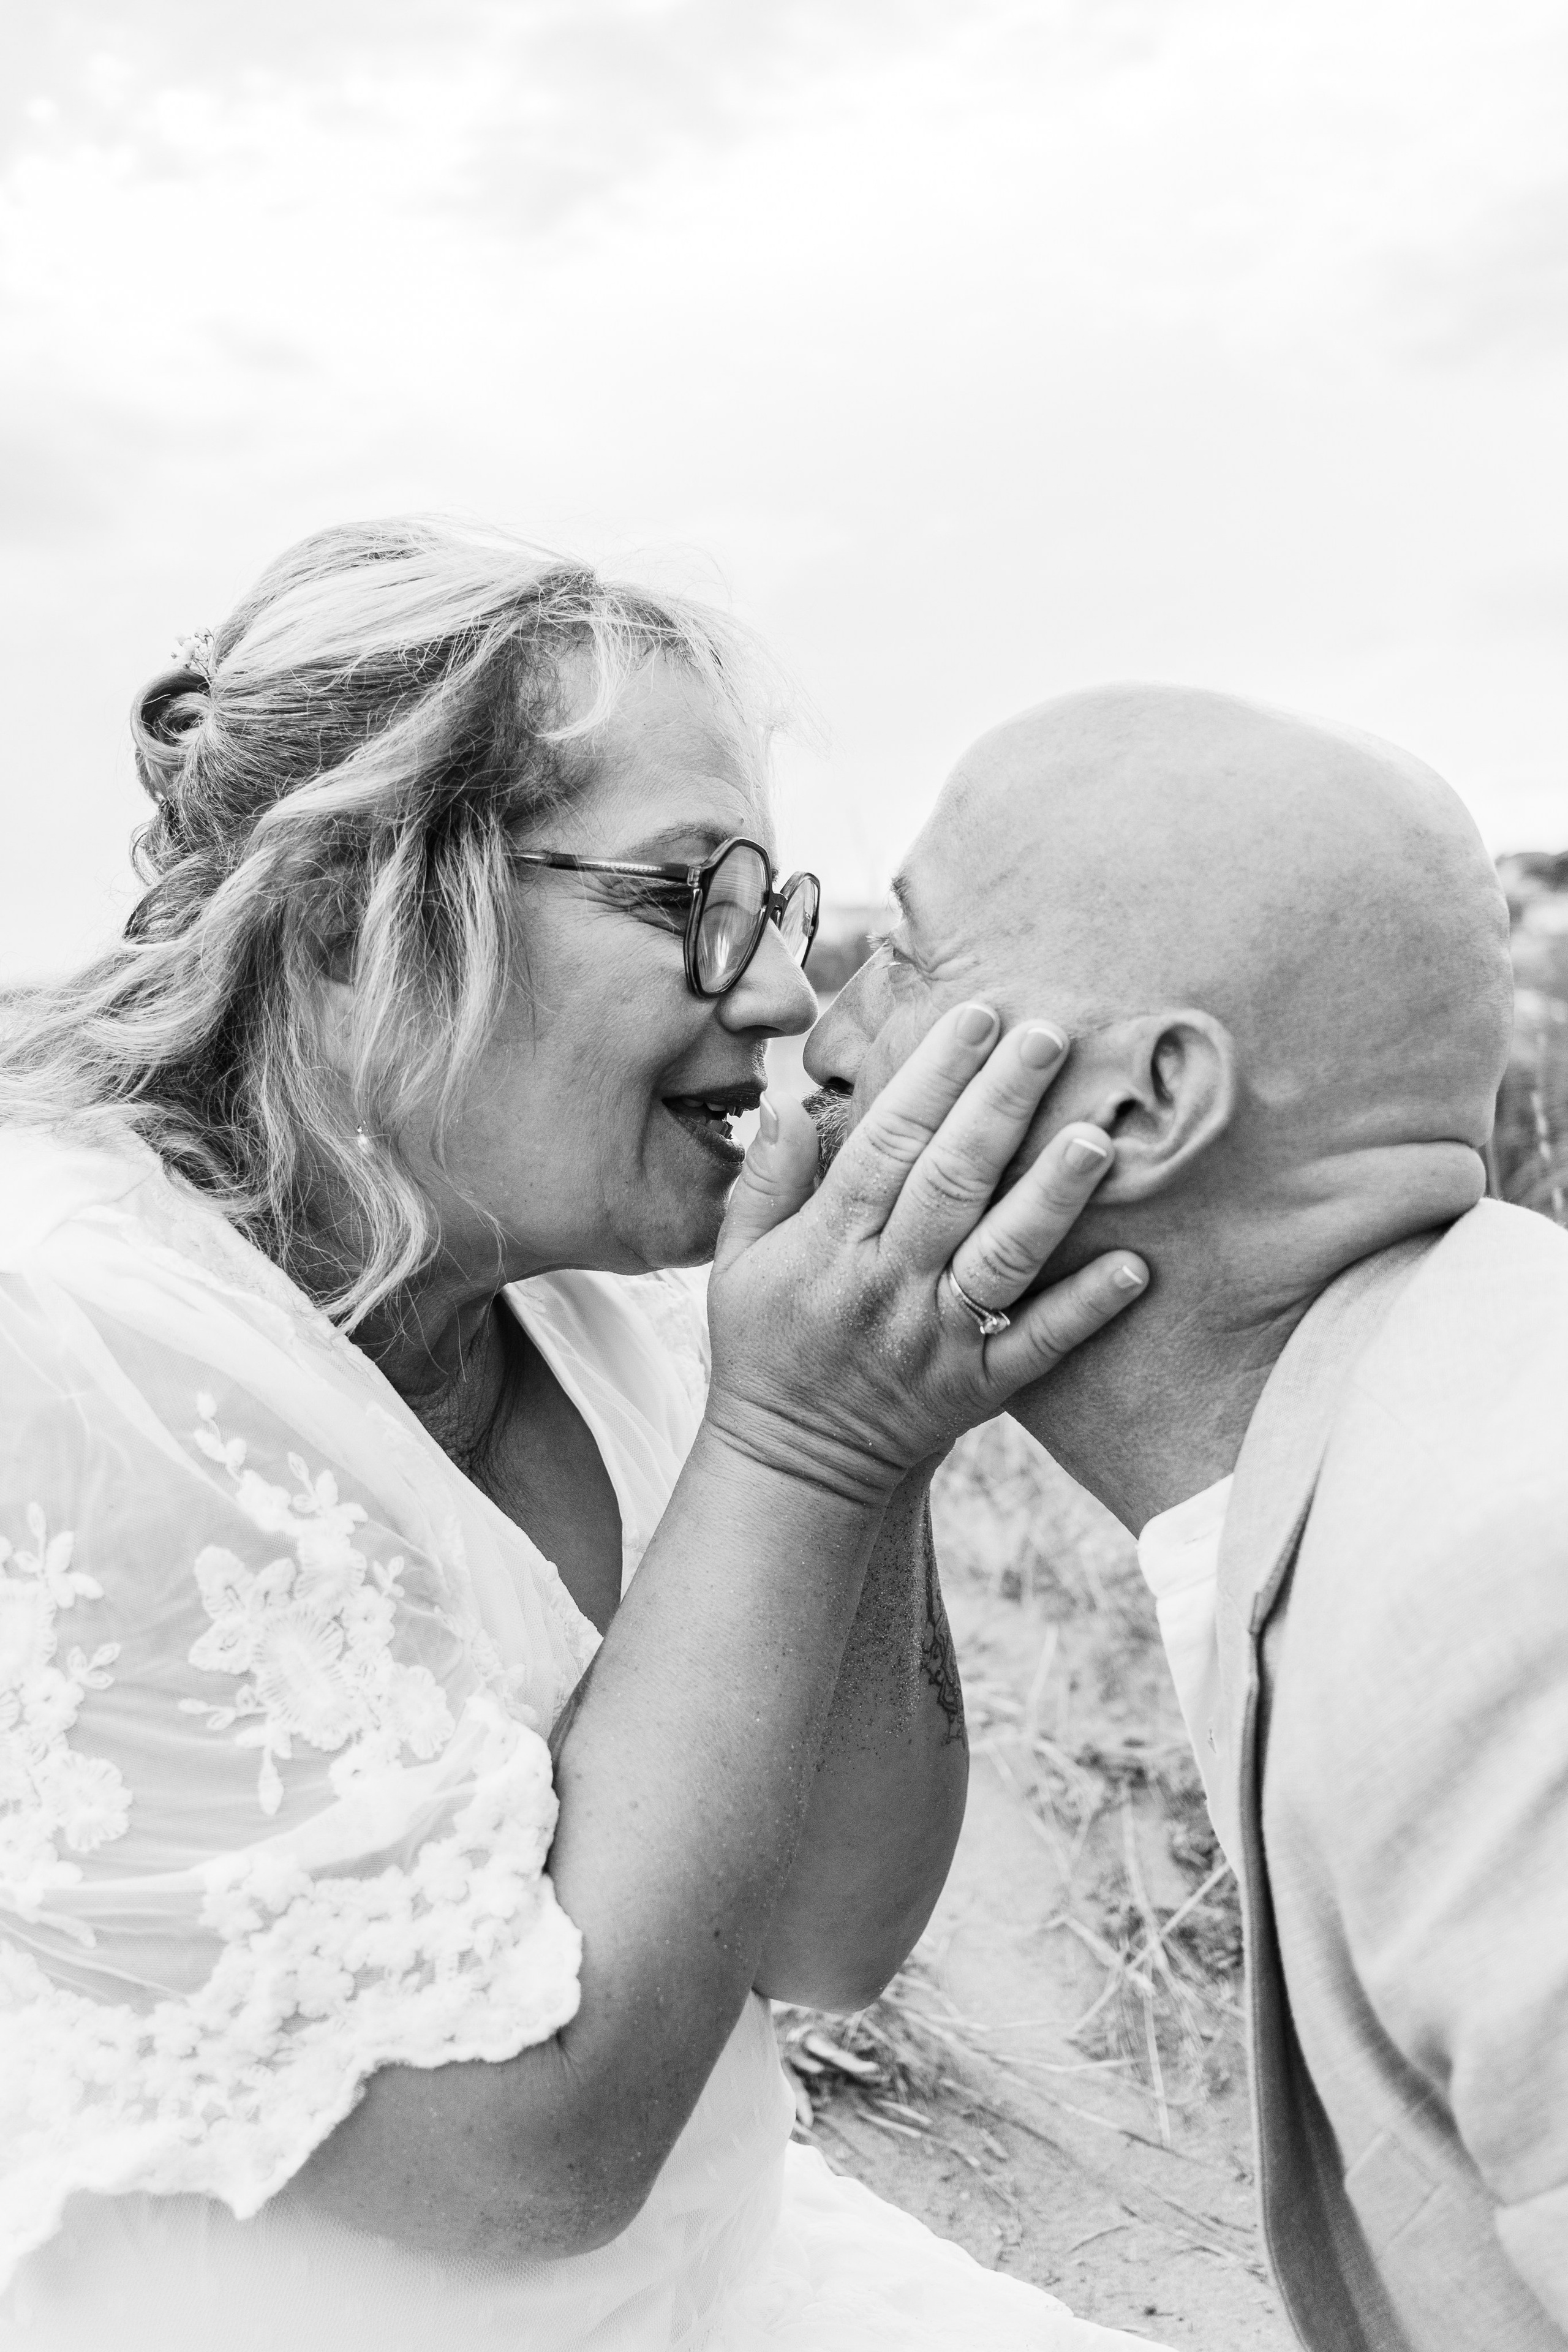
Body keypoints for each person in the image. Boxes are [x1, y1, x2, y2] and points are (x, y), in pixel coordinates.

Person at [0, 521, 1166, 2351]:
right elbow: (520, 2165)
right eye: (688, 895)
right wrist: (798, 1452)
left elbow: (834, 1935)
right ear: (345, 918)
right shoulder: (67, 1350)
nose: (777, 992)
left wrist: (884, 1424)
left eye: (772, 907)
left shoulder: (594, 1298)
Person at [804, 682, 1568, 2352]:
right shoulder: (1434, 1418)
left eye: (907, 956)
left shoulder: (1511, 1596)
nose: (828, 1032)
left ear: (1142, 1109)